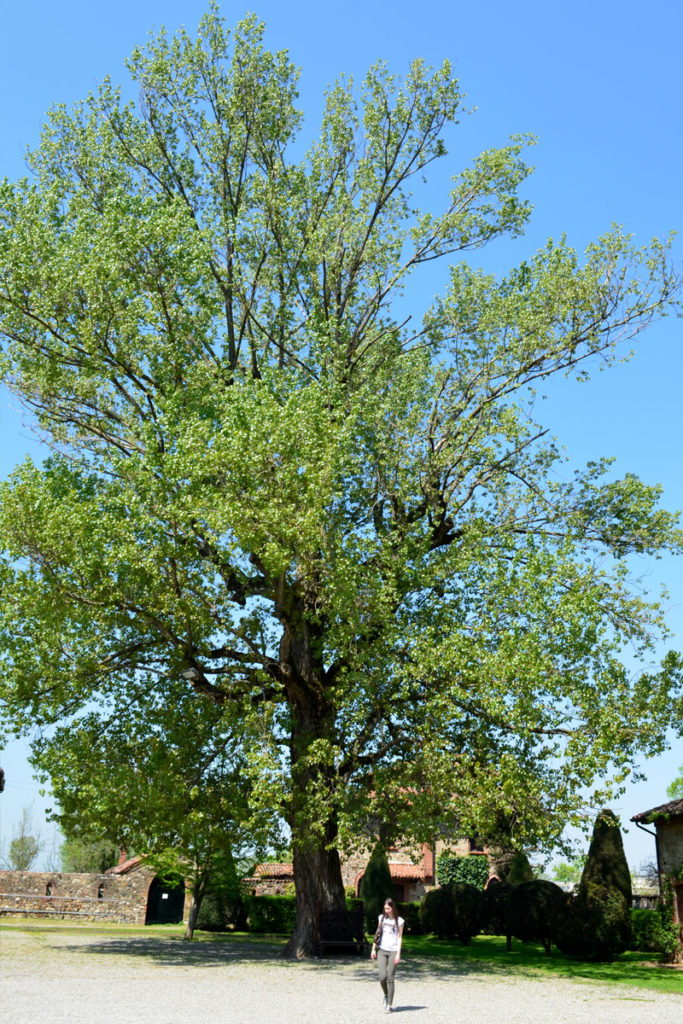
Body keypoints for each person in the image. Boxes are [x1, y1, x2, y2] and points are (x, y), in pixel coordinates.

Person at [370, 896, 404, 1013]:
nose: (386, 911)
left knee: (390, 978)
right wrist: (373, 949)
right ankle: (385, 994)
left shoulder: (400, 921)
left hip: (393, 951)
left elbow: (399, 938)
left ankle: (389, 1004)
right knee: (382, 977)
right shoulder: (381, 918)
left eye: (388, 908)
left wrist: (398, 954)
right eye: (385, 909)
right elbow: (377, 934)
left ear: (393, 908)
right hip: (382, 950)